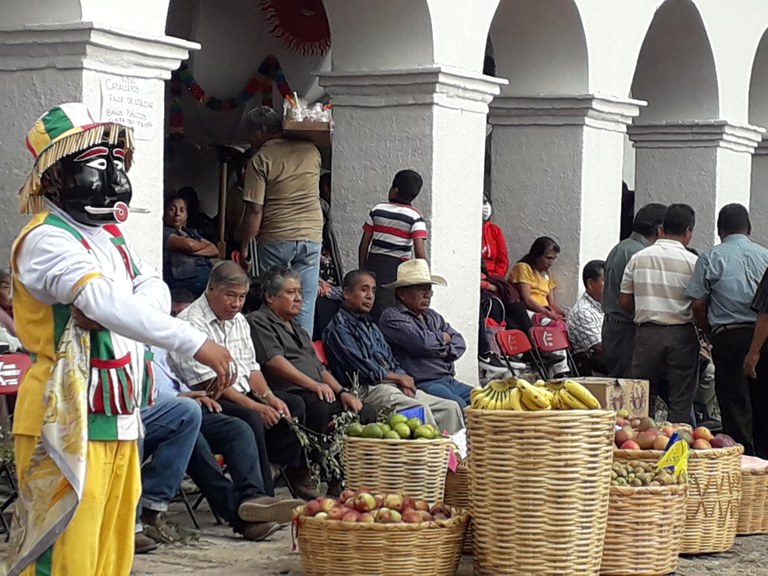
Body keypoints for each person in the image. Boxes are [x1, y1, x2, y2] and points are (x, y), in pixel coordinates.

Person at [6, 102, 234, 576]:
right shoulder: (46, 238)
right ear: (54, 179)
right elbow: (105, 301)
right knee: (66, 549)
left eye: (117, 166)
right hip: (64, 411)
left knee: (111, 550)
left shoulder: (108, 237)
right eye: (97, 167)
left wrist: (115, 311)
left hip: (118, 412)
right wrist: (191, 341)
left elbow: (147, 290)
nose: (113, 179)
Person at [169, 262, 313, 499]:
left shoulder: (239, 320)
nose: (236, 304)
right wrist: (258, 406)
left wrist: (270, 398)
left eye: (242, 297)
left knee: (293, 405)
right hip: (209, 397)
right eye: (230, 296)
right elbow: (211, 383)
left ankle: (271, 467)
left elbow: (252, 369)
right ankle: (262, 495)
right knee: (252, 417)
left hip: (241, 391)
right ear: (211, 289)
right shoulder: (190, 323)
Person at [153, 345, 303, 541]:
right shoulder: (129, 338)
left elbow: (176, 382)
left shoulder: (158, 343)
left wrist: (199, 395)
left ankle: (254, 498)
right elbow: (142, 391)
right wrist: (181, 398)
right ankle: (241, 519)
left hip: (187, 406)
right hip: (154, 411)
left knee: (237, 430)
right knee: (194, 440)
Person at [323, 270, 465, 434]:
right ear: (346, 293)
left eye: (373, 291)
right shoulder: (339, 328)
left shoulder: (370, 325)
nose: (370, 296)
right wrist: (398, 378)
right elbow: (364, 368)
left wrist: (403, 378)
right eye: (364, 290)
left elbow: (392, 359)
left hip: (391, 384)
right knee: (419, 409)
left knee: (449, 408)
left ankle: (456, 458)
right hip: (365, 388)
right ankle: (428, 458)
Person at [247, 266, 369, 438]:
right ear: (270, 297)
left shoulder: (299, 329)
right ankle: (313, 463)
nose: (298, 298)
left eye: (299, 292)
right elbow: (274, 362)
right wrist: (313, 385)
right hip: (291, 391)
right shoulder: (258, 321)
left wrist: (342, 392)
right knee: (318, 407)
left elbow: (320, 369)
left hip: (317, 390)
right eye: (291, 292)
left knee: (364, 411)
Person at [686, 204, 768, 455]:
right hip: (763, 334)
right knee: (763, 398)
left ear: (720, 230)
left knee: (733, 400)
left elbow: (698, 304)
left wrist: (708, 331)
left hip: (728, 335)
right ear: (749, 229)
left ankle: (742, 458)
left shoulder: (710, 257)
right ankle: (764, 460)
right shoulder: (765, 255)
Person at [238, 106, 323, 334]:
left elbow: (255, 210)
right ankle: (302, 352)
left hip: (277, 236)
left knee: (275, 299)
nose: (249, 138)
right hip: (312, 235)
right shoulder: (312, 151)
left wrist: (245, 246)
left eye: (251, 133)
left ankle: (277, 351)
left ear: (262, 130)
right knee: (302, 301)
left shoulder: (261, 159)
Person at [620, 204, 699, 424]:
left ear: (662, 228)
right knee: (681, 400)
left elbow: (625, 301)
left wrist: (646, 309)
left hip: (647, 334)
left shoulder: (638, 258)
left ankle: (638, 445)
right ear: (688, 232)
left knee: (640, 398)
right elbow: (699, 302)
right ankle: (679, 445)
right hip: (682, 334)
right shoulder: (693, 262)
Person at [379, 259, 473, 409]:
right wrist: (443, 339)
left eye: (429, 289)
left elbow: (460, 342)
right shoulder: (392, 316)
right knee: (459, 406)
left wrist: (441, 350)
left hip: (448, 380)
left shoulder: (432, 316)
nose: (427, 295)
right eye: (421, 289)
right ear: (402, 293)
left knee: (485, 400)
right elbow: (424, 344)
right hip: (424, 383)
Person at [602, 203, 666, 377]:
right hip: (626, 328)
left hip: (615, 326)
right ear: (660, 230)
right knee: (629, 386)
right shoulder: (641, 253)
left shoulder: (622, 247)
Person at [358, 169, 428, 320]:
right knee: (392, 311)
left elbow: (364, 244)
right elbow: (419, 252)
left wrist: (363, 270)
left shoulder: (377, 210)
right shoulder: (415, 217)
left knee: (372, 307)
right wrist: (423, 277)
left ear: (394, 191)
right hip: (399, 270)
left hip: (374, 264)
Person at [136, 394, 201, 550]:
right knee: (130, 426)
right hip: (94, 405)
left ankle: (151, 507)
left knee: (190, 410)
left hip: (141, 400)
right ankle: (130, 525)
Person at [162, 194, 217, 297]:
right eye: (172, 209)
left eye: (182, 210)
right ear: (165, 213)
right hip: (185, 282)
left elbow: (214, 249)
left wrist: (193, 252)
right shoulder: (164, 232)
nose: (177, 214)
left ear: (186, 216)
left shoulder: (191, 233)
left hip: (206, 277)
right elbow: (189, 245)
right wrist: (194, 248)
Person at [509, 236, 566, 321]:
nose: (551, 262)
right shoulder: (523, 268)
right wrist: (548, 314)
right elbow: (526, 299)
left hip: (545, 312)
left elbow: (551, 303)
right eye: (548, 258)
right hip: (528, 311)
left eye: (553, 259)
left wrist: (563, 314)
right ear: (537, 256)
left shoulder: (548, 274)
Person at [568, 260, 608, 375]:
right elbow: (599, 348)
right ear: (590, 284)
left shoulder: (604, 307)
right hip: (591, 362)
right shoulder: (583, 311)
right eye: (605, 282)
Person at [481, 194, 509, 278]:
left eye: (485, 202)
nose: (484, 207)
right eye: (480, 202)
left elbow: (503, 261)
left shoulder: (495, 230)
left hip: (493, 278)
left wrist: (495, 278)